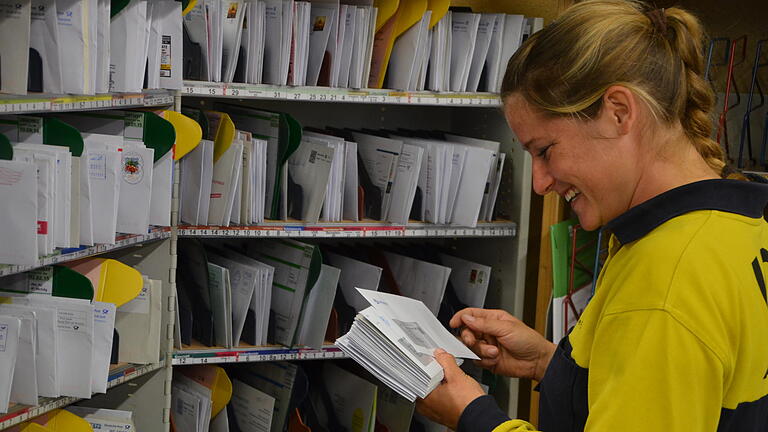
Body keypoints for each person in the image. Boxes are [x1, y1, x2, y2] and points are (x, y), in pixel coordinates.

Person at [415, 1, 768, 431]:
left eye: (545, 151)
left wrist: (474, 417)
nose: (540, 183)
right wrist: (549, 363)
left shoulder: (664, 280)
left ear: (619, 111)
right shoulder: (738, 221)